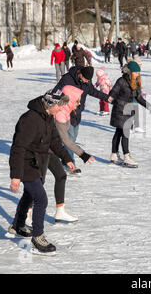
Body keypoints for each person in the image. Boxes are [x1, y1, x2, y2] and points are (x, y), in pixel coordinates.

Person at [7, 89, 74, 255]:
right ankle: (37, 238)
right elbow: (18, 148)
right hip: (25, 164)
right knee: (41, 199)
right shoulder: (30, 119)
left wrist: (67, 158)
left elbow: (54, 141)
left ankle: (18, 225)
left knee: (29, 195)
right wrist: (16, 176)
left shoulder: (47, 117)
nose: (60, 109)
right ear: (50, 104)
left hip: (37, 163)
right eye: (59, 106)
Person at [24, 86, 96, 227]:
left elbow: (57, 141)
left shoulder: (65, 111)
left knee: (61, 176)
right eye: (77, 101)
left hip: (50, 150)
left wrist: (67, 158)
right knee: (38, 183)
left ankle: (60, 210)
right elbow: (65, 140)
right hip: (42, 152)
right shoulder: (59, 114)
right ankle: (28, 212)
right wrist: (83, 154)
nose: (79, 104)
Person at [53, 66, 113, 175]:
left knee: (73, 138)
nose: (87, 82)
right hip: (66, 112)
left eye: (88, 80)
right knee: (69, 139)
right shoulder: (67, 79)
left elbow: (93, 91)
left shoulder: (87, 81)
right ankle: (69, 163)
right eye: (85, 79)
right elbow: (56, 92)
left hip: (77, 112)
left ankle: (63, 155)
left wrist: (106, 97)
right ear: (80, 74)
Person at [109, 61, 151, 167]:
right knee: (125, 133)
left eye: (138, 73)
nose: (137, 74)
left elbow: (138, 97)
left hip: (128, 111)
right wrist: (116, 101)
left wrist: (147, 105)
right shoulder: (121, 81)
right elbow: (112, 93)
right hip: (120, 110)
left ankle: (114, 155)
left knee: (119, 132)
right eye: (135, 72)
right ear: (130, 71)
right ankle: (127, 156)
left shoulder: (135, 82)